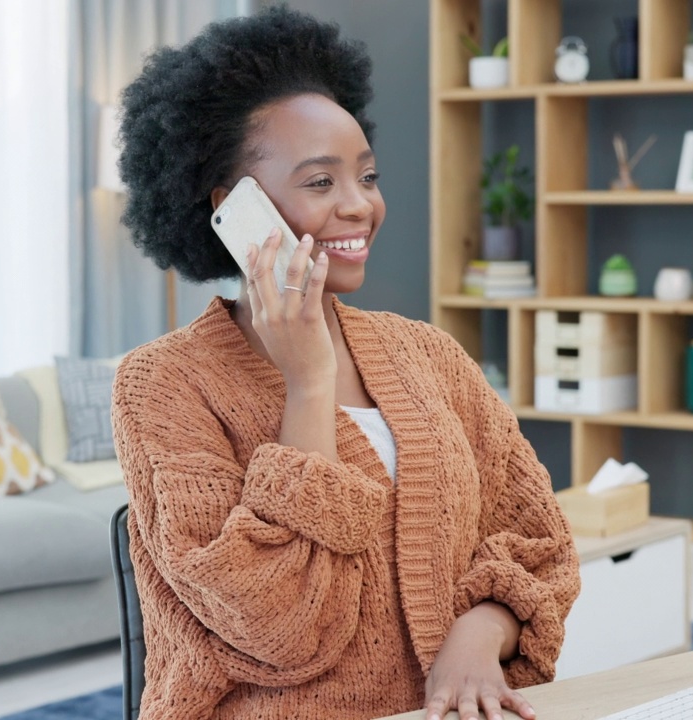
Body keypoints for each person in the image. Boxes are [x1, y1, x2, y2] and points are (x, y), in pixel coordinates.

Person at [111, 8, 580, 720]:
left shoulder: (428, 353)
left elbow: (538, 539)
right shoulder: (163, 384)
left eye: (367, 176)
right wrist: (307, 382)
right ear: (234, 210)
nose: (360, 206)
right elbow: (279, 627)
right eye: (321, 183)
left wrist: (480, 633)